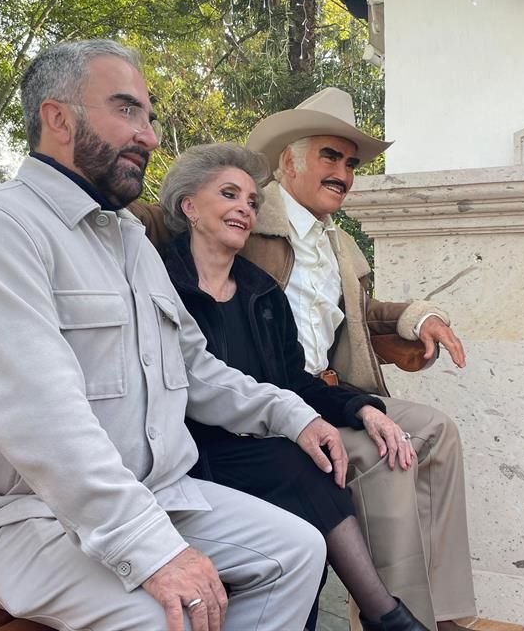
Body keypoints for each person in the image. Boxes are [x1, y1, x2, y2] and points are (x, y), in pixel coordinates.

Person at [0, 40, 348, 631]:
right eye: (127, 110)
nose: (149, 135)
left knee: (298, 550)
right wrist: (152, 550)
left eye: (147, 116)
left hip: (153, 497)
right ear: (58, 118)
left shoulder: (128, 237)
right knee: (172, 614)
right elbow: (38, 413)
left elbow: (195, 368)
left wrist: (292, 414)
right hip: (19, 520)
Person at [240, 88, 518, 631]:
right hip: (273, 403)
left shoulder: (340, 244)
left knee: (438, 431)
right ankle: (399, 617)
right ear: (288, 160)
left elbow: (364, 312)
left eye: (351, 162)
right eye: (330, 156)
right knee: (388, 452)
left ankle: (445, 613)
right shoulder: (248, 223)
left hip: (333, 388)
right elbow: (178, 232)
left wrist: (417, 318)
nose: (344, 172)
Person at [149, 142, 429, 631]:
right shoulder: (159, 280)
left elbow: (294, 382)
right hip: (187, 450)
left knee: (314, 468)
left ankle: (380, 616)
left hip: (262, 446)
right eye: (229, 194)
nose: (244, 208)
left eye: (253, 201)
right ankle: (385, 614)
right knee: (300, 466)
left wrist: (362, 408)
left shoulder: (262, 293)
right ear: (189, 206)